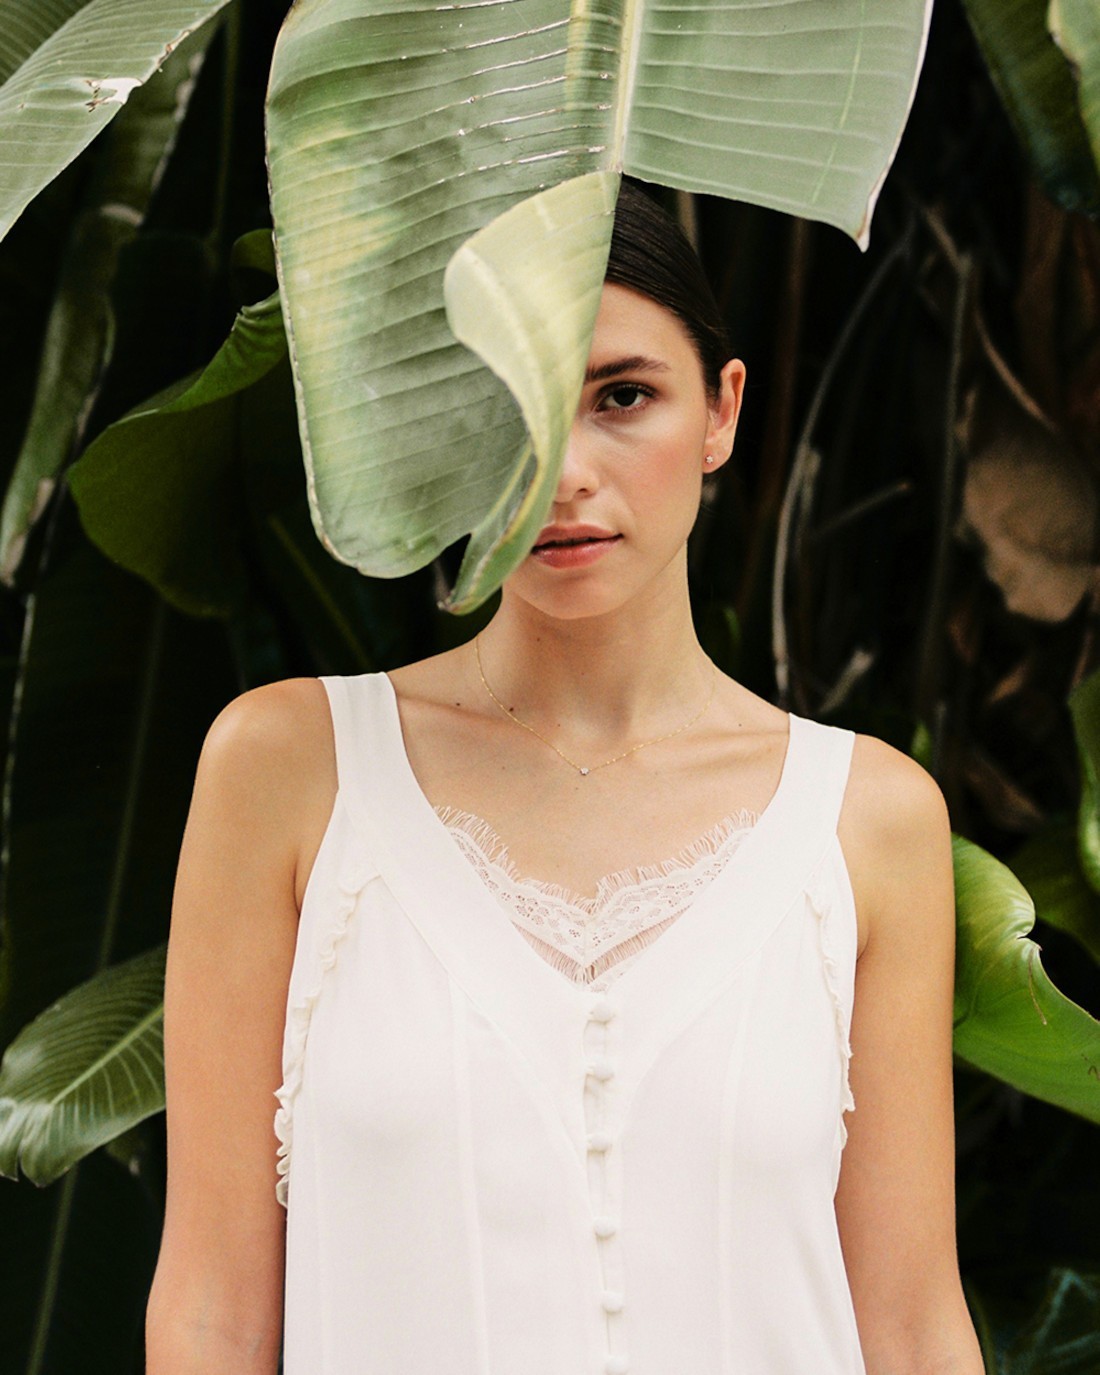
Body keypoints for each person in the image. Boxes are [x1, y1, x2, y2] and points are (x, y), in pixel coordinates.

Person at [145, 181, 984, 1374]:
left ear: (720, 410)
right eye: (504, 401)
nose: (562, 467)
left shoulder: (866, 819)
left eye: (621, 396)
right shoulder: (289, 770)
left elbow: (908, 1325)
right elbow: (210, 1313)